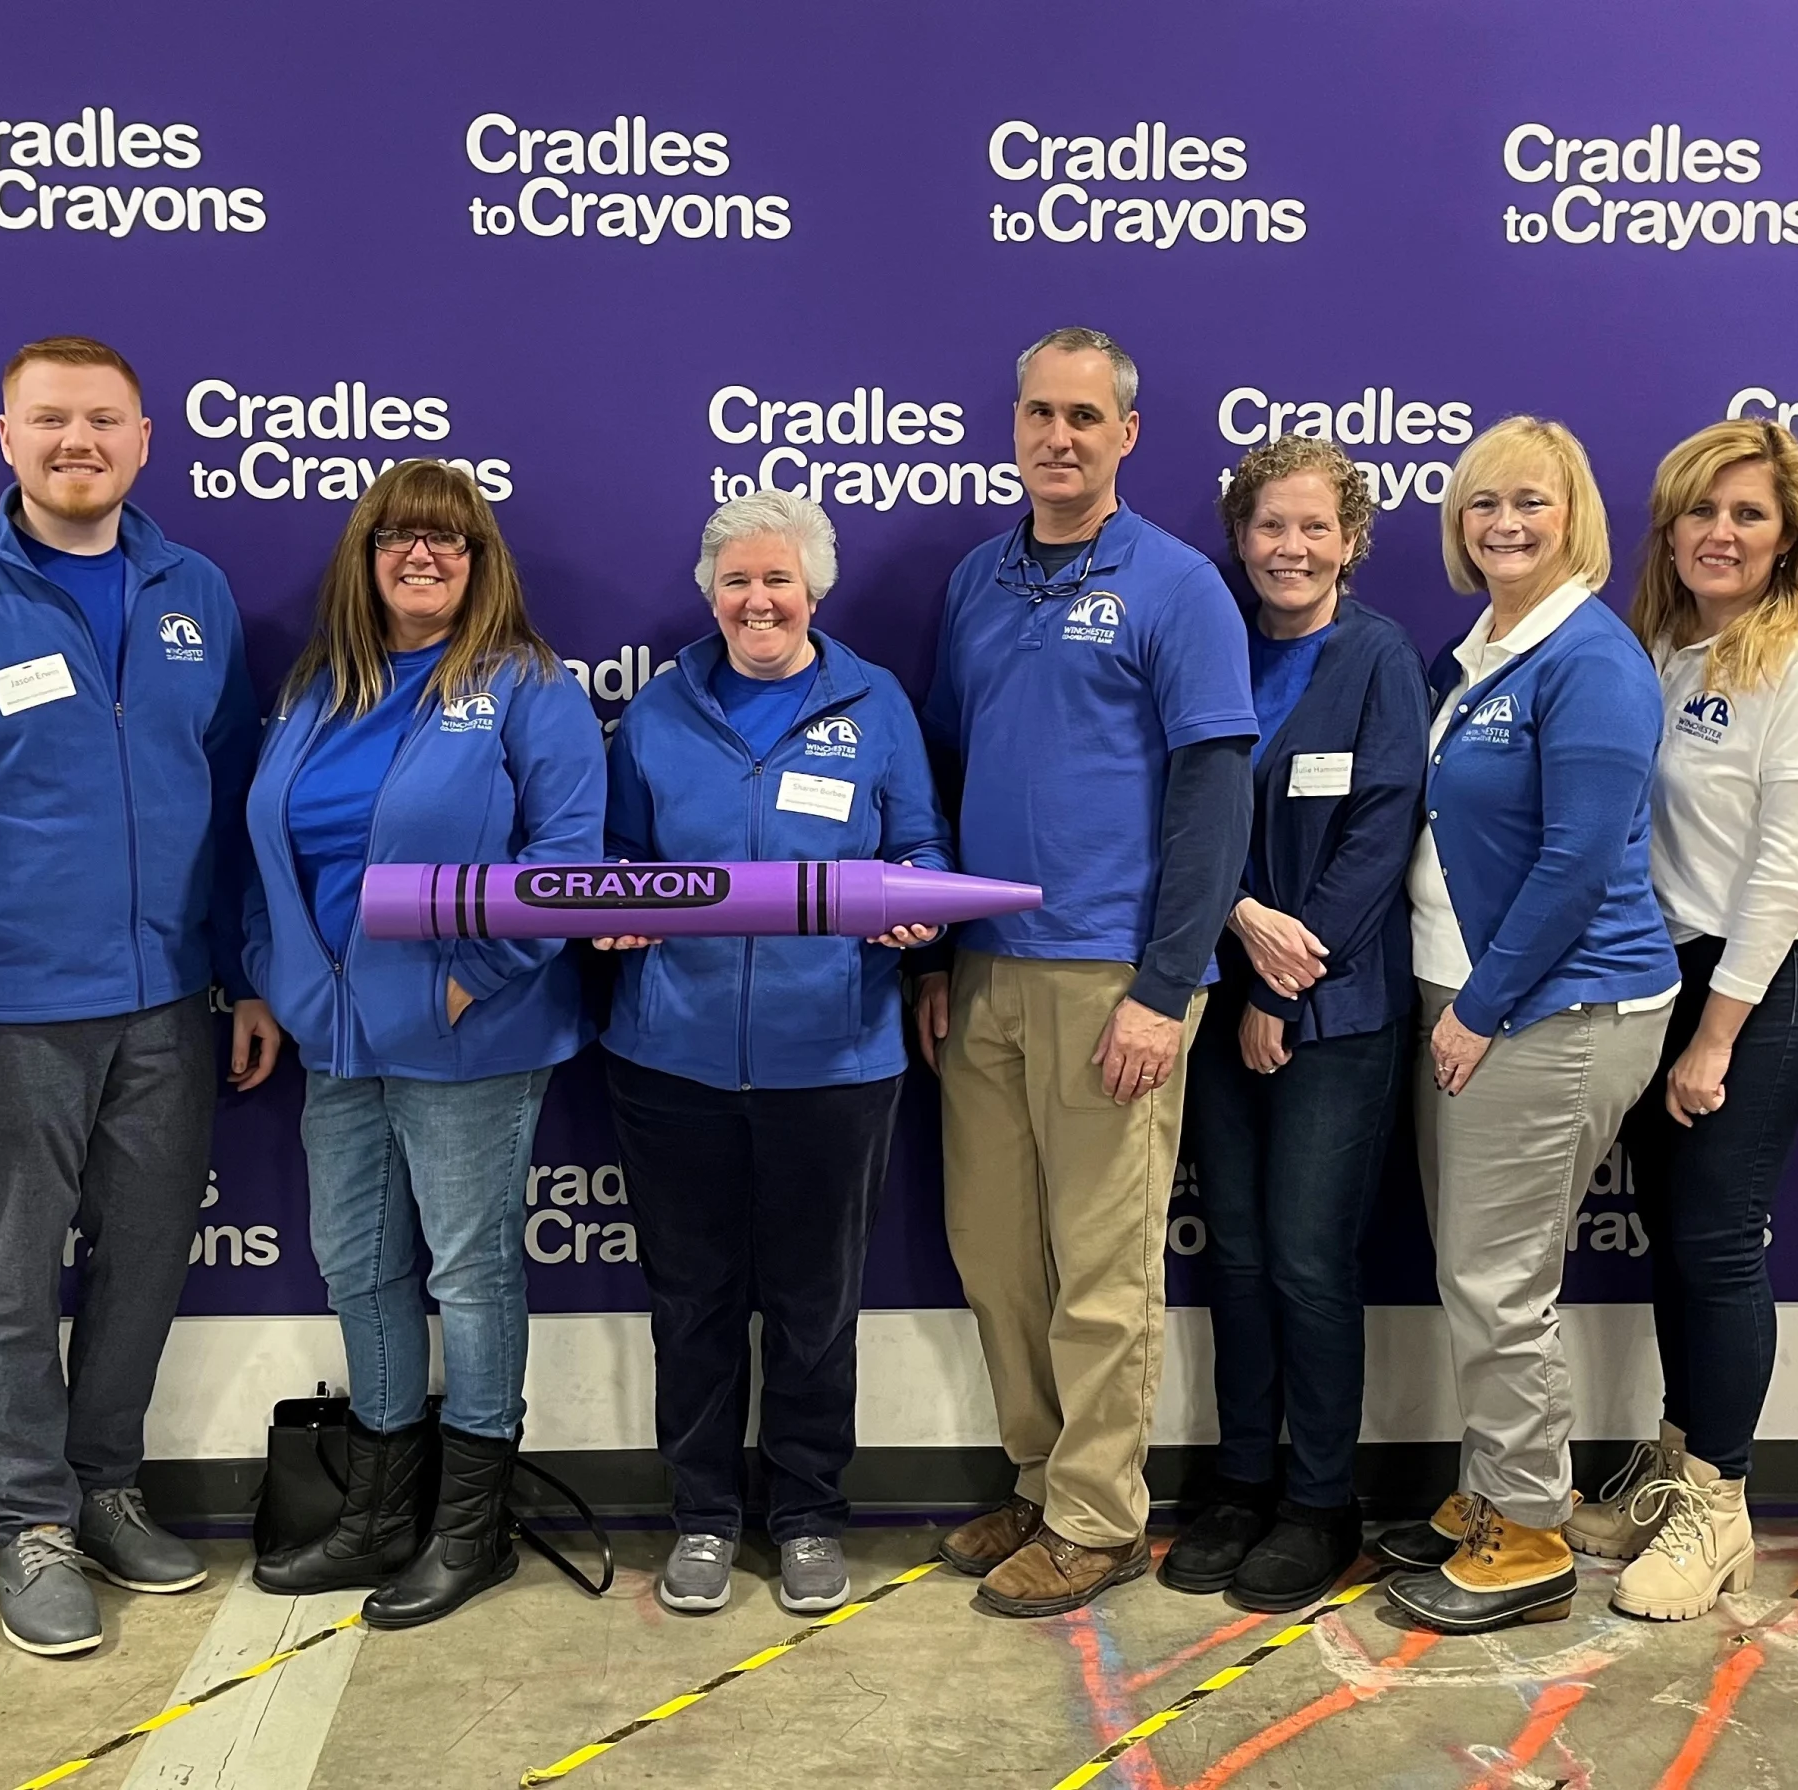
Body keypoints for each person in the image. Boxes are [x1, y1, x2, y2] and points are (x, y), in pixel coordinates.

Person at [0, 337, 283, 1659]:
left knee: (147, 1255)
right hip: (5, 1012)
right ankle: (27, 1522)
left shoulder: (190, 587)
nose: (76, 441)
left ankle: (105, 1484)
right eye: (50, 421)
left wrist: (244, 970)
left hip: (167, 1005)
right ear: (5, 437)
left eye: (102, 420)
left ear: (145, 439)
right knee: (13, 1275)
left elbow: (229, 802)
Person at [916, 328, 1257, 1618]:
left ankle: (1102, 1518)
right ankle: (1039, 1476)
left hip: (1112, 972)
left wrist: (1167, 989)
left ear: (1125, 434)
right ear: (1012, 426)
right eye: (1036, 415)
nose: (1057, 437)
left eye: (1083, 417)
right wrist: (943, 950)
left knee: (1103, 1263)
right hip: (988, 968)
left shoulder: (1176, 587)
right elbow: (947, 776)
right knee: (997, 1253)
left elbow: (1213, 797)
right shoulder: (975, 581)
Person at [244, 460, 603, 1628]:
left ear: (480, 559)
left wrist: (472, 981)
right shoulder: (319, 686)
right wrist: (275, 976)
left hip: (469, 1035)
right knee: (357, 1260)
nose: (422, 555)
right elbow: (262, 855)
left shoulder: (523, 686)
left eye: (449, 539)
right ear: (365, 554)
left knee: (470, 1268)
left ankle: (470, 1528)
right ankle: (380, 1513)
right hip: (334, 1035)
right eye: (398, 535)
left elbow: (570, 865)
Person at [592, 491, 948, 1617]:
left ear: (814, 591)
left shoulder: (874, 701)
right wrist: (615, 904)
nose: (758, 600)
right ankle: (700, 1514)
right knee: (690, 1299)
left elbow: (921, 845)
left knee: (812, 1303)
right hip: (671, 1058)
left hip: (834, 1059)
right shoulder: (658, 709)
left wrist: (916, 909)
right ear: (711, 593)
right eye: (737, 581)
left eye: (777, 581)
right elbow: (615, 851)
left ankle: (805, 1514)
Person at [1376, 417, 1680, 1634]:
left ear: (1575, 519)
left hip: (1548, 1008)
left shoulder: (1591, 661)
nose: (1503, 522)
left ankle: (1532, 1536)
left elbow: (1575, 862)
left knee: (1499, 1281)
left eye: (1531, 504)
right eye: (1481, 502)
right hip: (1475, 997)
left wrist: (1484, 1007)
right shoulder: (1491, 645)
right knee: (1481, 1270)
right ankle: (1493, 1492)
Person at [1579, 421, 1798, 1620]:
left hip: (1766, 979)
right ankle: (1675, 1462)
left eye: (1748, 513)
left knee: (1715, 1235)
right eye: (1701, 511)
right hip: (1664, 967)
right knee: (1676, 1237)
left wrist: (1711, 1039)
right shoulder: (1660, 644)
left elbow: (1782, 867)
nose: (1720, 533)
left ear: (1790, 531)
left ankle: (1721, 1506)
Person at [1160, 437, 1427, 1611]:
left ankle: (1320, 1499)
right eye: (1271, 526)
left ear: (1352, 541)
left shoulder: (1376, 658)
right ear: (1240, 535)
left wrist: (1283, 986)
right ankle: (1237, 1479)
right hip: (1212, 991)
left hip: (1338, 1006)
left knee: (1311, 1257)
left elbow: (1378, 836)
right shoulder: (1209, 636)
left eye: (1315, 528)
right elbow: (1172, 806)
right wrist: (1234, 926)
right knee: (1242, 1251)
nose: (1291, 548)